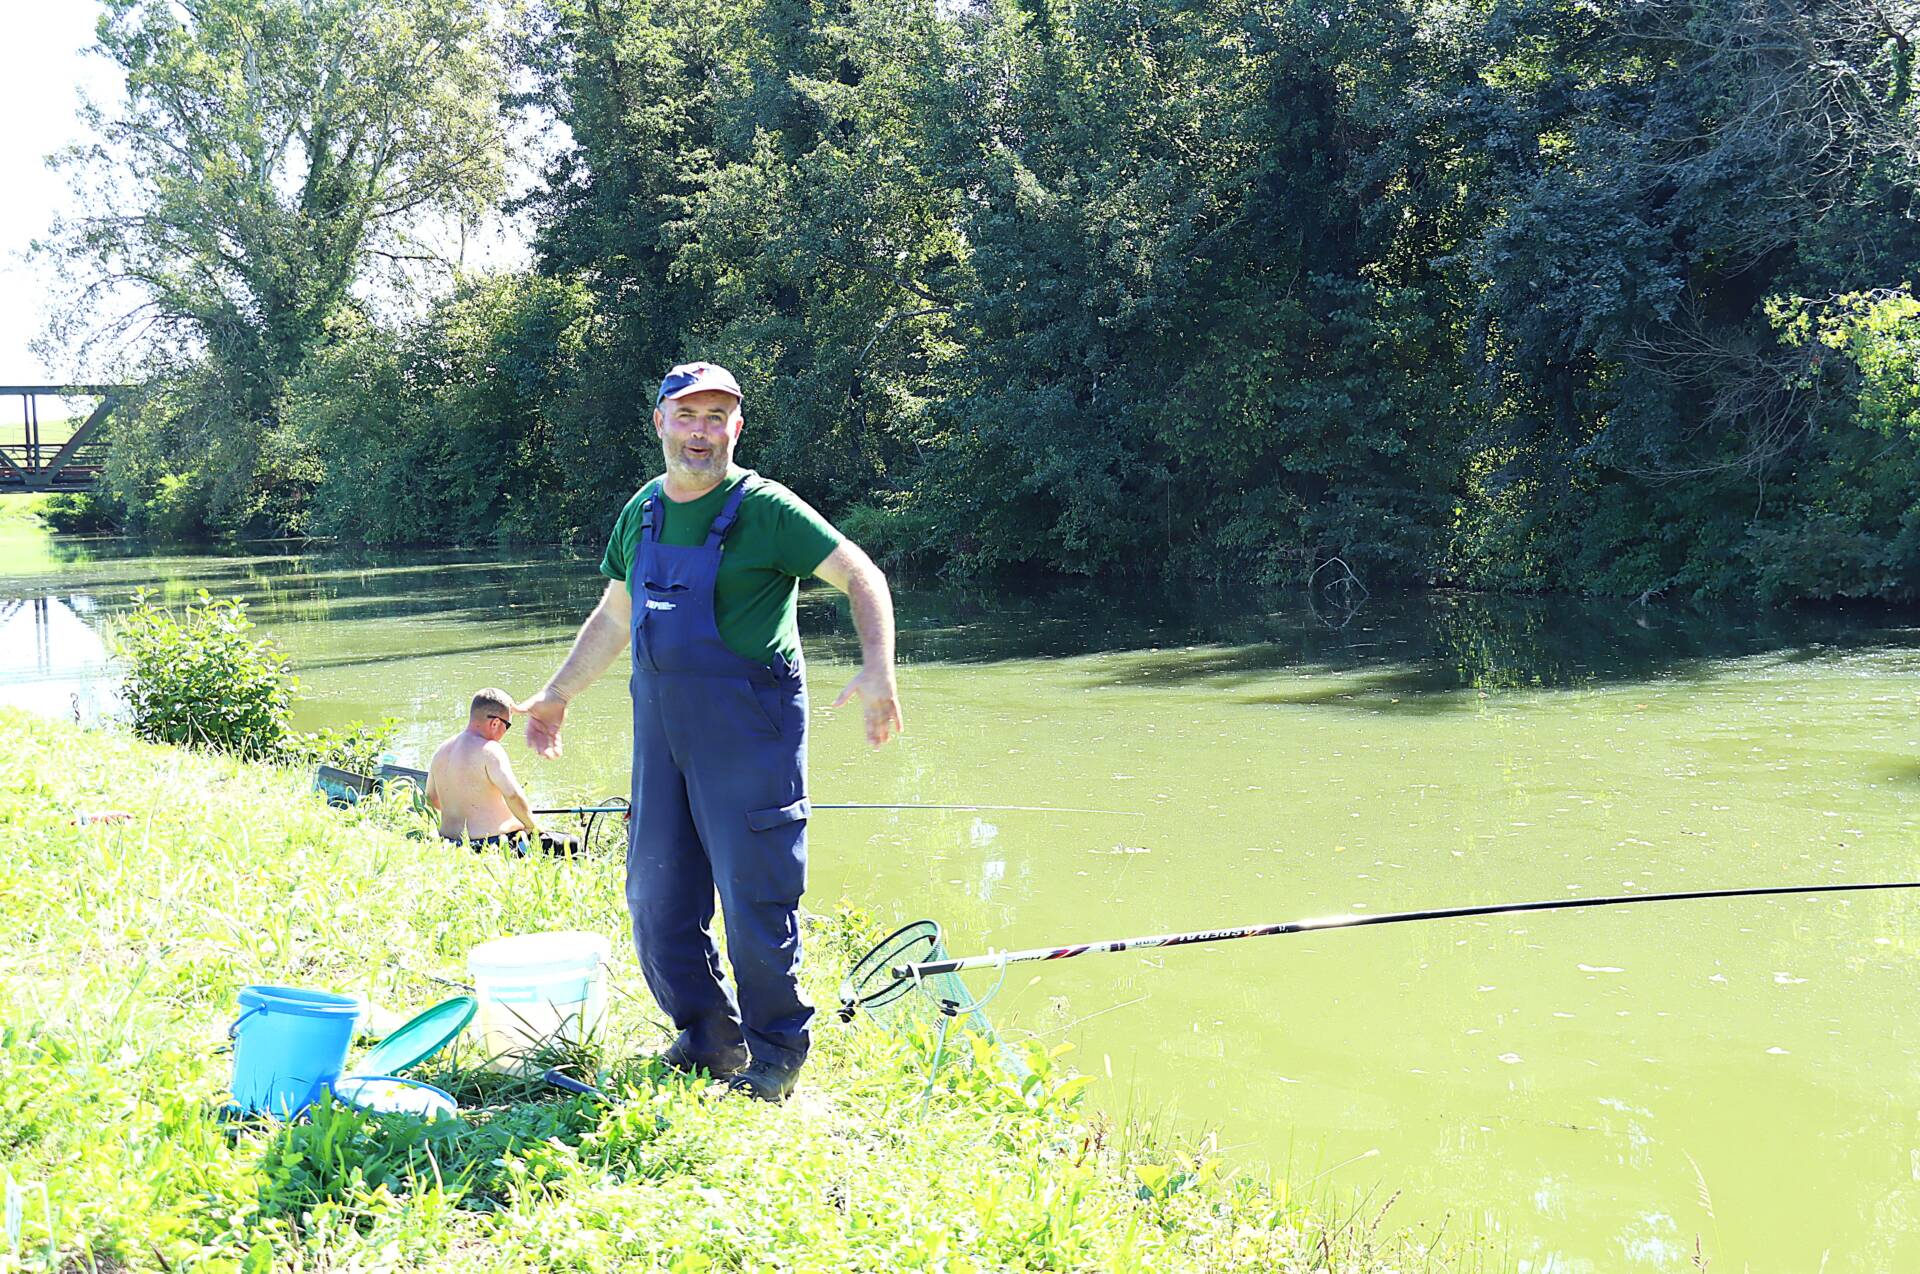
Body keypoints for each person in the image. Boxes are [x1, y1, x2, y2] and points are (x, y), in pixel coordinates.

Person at [519, 361, 902, 1103]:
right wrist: (558, 694)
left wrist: (878, 668)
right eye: (688, 415)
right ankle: (709, 1037)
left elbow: (862, 575)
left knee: (757, 899)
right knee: (657, 896)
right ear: (660, 422)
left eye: (716, 417)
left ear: (737, 427)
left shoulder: (767, 509)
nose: (701, 432)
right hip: (663, 737)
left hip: (750, 735)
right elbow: (616, 615)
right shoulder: (643, 511)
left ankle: (776, 1054)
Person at [425, 688, 578, 855]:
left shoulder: (441, 750)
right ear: (495, 723)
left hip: (450, 844)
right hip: (490, 845)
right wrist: (532, 827)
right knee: (571, 843)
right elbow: (512, 794)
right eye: (508, 726)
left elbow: (431, 799)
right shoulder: (489, 750)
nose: (505, 731)